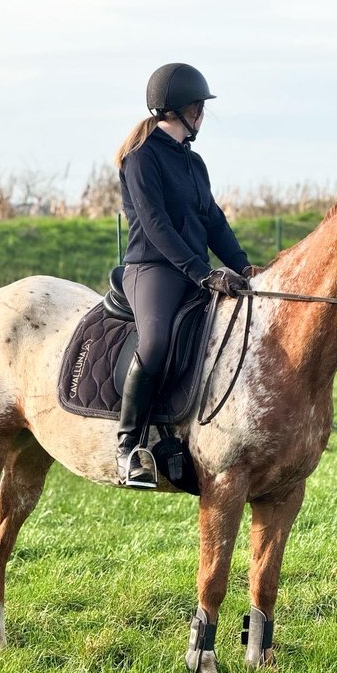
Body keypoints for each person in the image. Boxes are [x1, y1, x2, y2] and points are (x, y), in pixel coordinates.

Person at [112, 63, 261, 488]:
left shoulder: (195, 164)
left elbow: (213, 220)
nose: (202, 117)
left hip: (194, 271)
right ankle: (128, 448)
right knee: (156, 344)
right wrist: (202, 273)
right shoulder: (141, 160)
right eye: (199, 108)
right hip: (152, 269)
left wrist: (242, 265)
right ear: (184, 110)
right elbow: (156, 226)